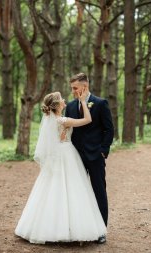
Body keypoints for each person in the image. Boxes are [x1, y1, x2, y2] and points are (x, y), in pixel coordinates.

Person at [14, 90, 107, 244]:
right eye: (61, 99)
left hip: (55, 157)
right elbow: (88, 119)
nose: (65, 100)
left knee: (52, 189)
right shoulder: (63, 121)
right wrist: (83, 102)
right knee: (73, 188)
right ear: (57, 105)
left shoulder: (49, 119)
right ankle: (70, 229)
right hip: (67, 154)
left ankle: (42, 227)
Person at [65, 73, 114, 244]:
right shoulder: (70, 106)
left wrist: (103, 150)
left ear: (84, 87)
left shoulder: (100, 103)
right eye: (72, 88)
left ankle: (101, 231)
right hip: (75, 157)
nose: (72, 91)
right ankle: (79, 230)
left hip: (95, 156)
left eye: (75, 88)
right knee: (76, 193)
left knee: (99, 191)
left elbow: (109, 129)